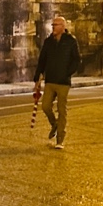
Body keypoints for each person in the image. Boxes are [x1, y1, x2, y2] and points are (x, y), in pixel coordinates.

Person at [33, 14, 82, 149]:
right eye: (53, 25)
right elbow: (42, 60)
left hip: (63, 82)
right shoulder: (49, 42)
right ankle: (54, 124)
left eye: (56, 25)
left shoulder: (71, 41)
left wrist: (67, 73)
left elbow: (77, 60)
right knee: (46, 106)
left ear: (63, 26)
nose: (53, 27)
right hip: (50, 80)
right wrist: (37, 77)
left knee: (62, 110)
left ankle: (60, 139)